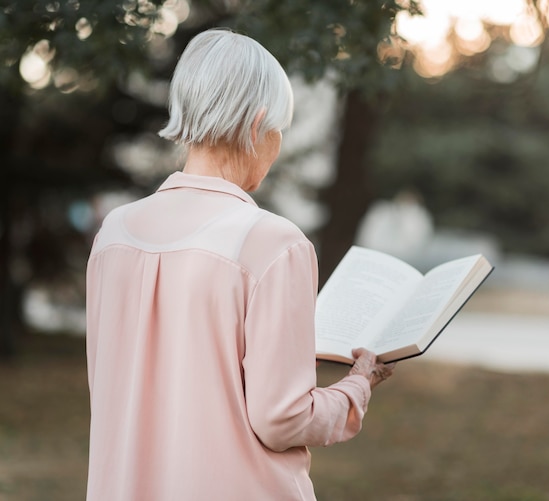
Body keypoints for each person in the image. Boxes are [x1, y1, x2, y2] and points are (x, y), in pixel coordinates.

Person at [85, 29, 395, 501]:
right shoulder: (274, 243)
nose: (277, 147)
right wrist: (357, 387)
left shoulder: (114, 233)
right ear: (257, 126)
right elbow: (281, 418)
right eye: (279, 133)